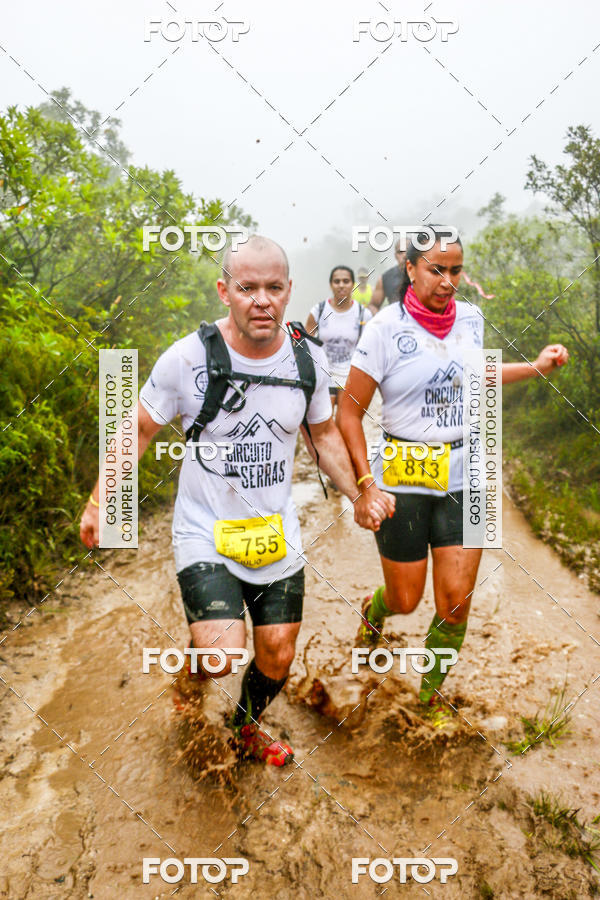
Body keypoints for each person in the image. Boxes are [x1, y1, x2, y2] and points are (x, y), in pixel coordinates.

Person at [80, 235, 394, 765]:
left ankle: (247, 726)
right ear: (225, 291)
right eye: (248, 288)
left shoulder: (306, 362)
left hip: (275, 533)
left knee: (277, 653)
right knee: (223, 654)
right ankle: (195, 671)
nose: (262, 300)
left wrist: (362, 490)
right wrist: (97, 504)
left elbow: (325, 440)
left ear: (290, 291)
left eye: (274, 287)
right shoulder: (187, 359)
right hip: (204, 531)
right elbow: (135, 430)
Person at [337, 227, 568, 728]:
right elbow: (348, 414)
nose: (447, 280)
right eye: (436, 269)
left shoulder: (471, 318)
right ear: (412, 269)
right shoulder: (382, 329)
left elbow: (477, 375)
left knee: (455, 606)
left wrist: (535, 367)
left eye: (456, 270)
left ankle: (428, 699)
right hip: (404, 471)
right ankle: (374, 611)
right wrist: (364, 485)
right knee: (406, 599)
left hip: (467, 472)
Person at [305, 266, 372, 410]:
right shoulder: (319, 310)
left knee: (344, 422)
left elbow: (370, 350)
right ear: (331, 285)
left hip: (349, 377)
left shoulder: (363, 314)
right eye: (337, 281)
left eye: (346, 281)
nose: (341, 285)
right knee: (325, 421)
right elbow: (304, 344)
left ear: (353, 285)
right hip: (323, 375)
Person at [367, 240, 406, 315]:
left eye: (408, 251)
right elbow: (373, 305)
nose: (404, 255)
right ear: (395, 256)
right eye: (400, 252)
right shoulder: (385, 278)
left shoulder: (425, 275)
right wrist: (382, 321)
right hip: (394, 322)